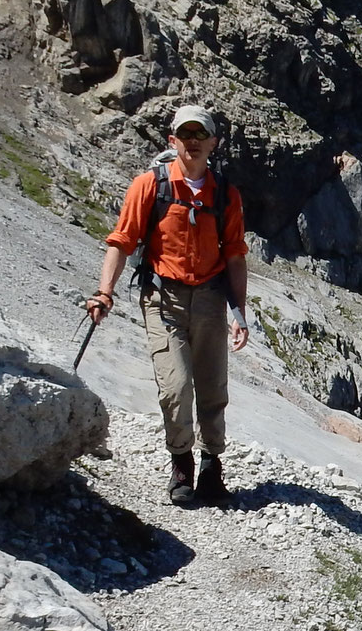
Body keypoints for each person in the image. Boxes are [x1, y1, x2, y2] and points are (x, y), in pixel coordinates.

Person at [85, 105, 249, 506]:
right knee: (175, 387)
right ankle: (181, 462)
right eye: (185, 134)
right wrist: (105, 291)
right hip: (163, 298)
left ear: (214, 142)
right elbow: (122, 241)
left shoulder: (226, 194)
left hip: (210, 298)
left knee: (212, 389)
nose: (192, 141)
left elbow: (235, 256)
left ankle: (212, 465)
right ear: (172, 140)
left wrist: (239, 312)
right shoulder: (149, 186)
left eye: (200, 134)